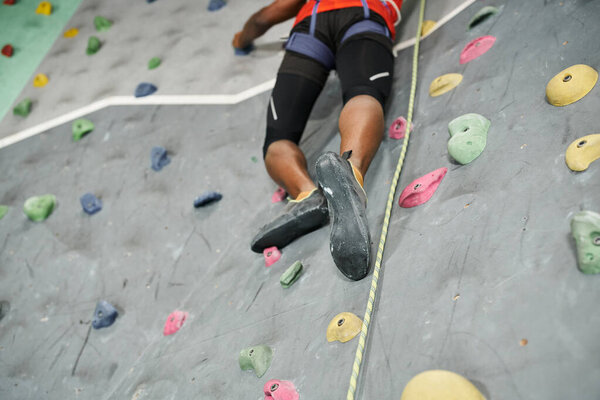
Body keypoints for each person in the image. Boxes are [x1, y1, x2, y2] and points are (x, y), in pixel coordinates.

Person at [233, 0, 402, 281]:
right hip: (364, 15)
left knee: (278, 138)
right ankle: (351, 172)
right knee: (363, 93)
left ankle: (306, 193)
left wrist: (241, 38)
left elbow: (266, 17)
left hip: (310, 28)